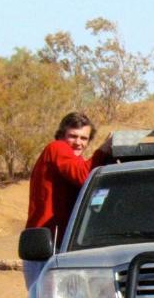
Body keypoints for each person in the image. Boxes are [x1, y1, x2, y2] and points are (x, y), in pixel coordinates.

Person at [24, 111, 111, 288]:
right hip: (46, 246)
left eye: (84, 138)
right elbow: (83, 175)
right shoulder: (56, 148)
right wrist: (103, 150)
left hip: (64, 245)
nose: (78, 142)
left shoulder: (73, 162)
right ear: (62, 135)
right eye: (73, 136)